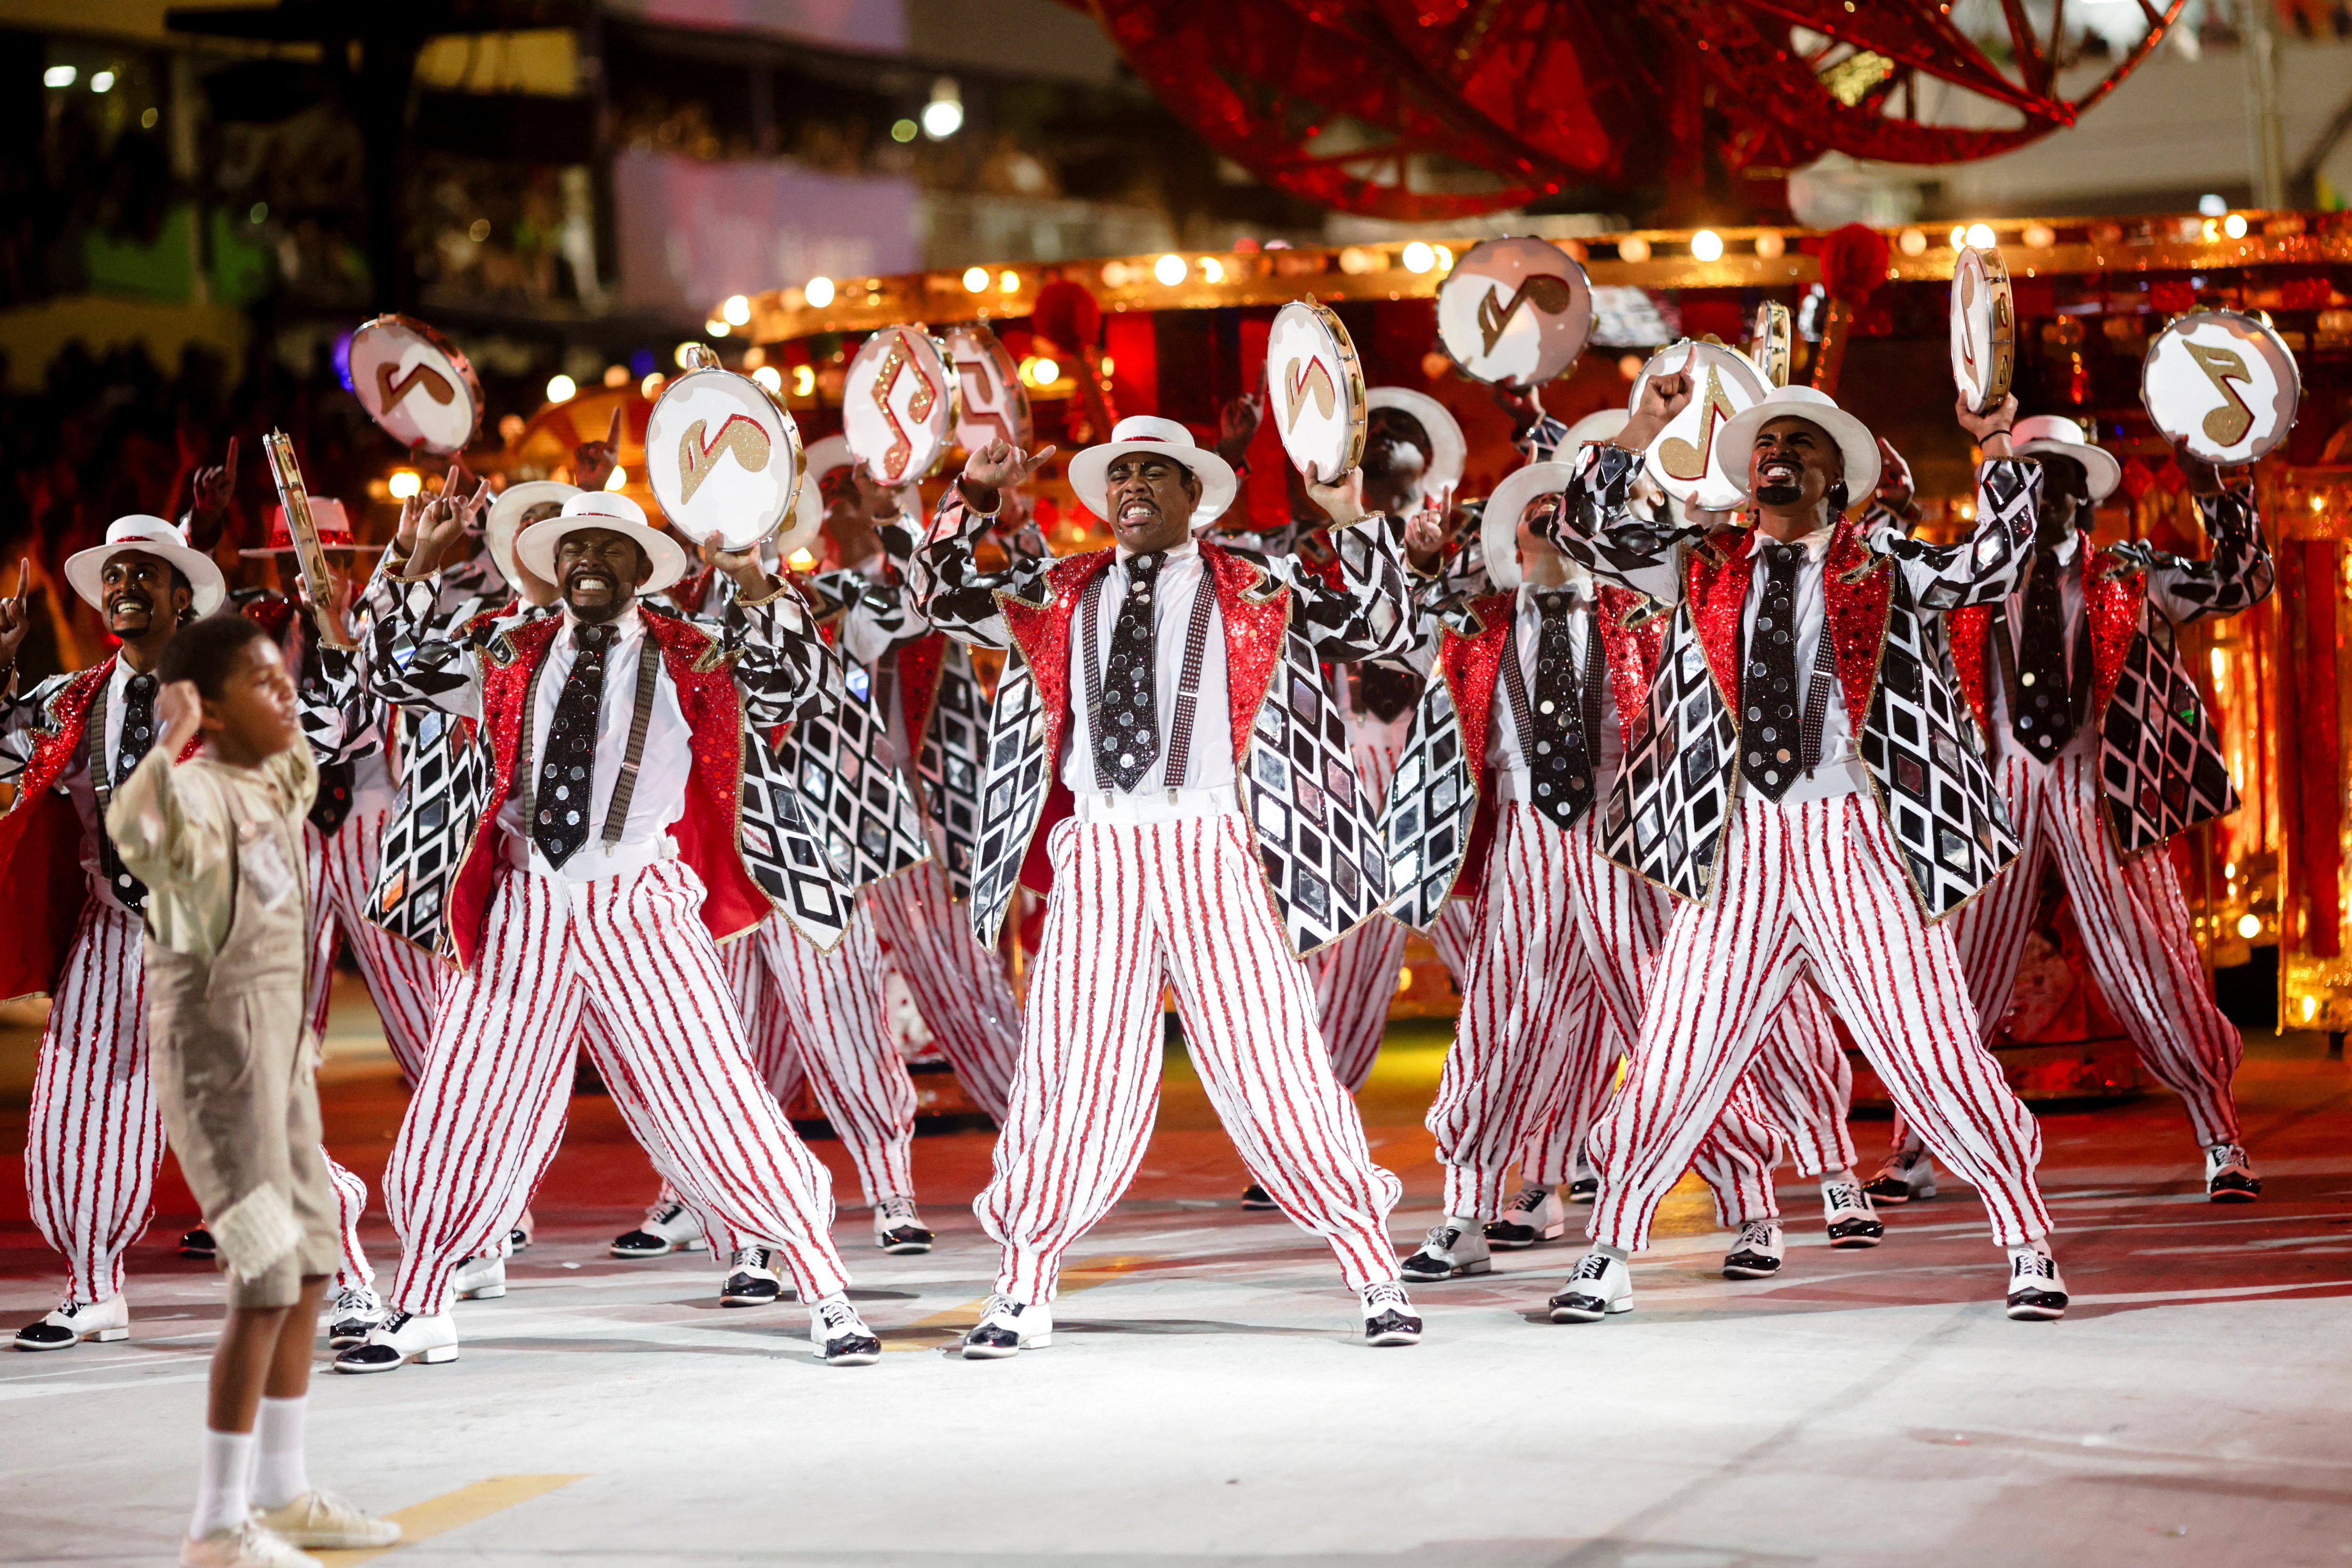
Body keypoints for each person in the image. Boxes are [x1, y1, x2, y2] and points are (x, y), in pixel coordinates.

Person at [1539, 377, 2071, 1322]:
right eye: (1764, 439)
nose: (1774, 450)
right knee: (1675, 1048)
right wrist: (1645, 429)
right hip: (1738, 845)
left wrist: (1994, 446)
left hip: (1853, 839)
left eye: (1800, 441)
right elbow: (1584, 535)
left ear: (1839, 476)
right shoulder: (1705, 563)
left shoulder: (1886, 560)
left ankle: (2026, 1235)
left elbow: (1994, 563)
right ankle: (1609, 1249)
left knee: (1931, 1044)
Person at [335, 488, 882, 1372]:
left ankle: (825, 1286)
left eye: (608, 547)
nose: (587, 559)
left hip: (638, 896)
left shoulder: (693, 651)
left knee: (712, 1089)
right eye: (572, 547)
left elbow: (803, 687)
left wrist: (753, 584)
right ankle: (424, 1299)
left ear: (642, 567)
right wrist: (410, 569)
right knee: (465, 1092)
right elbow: (384, 670)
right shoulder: (505, 644)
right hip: (526, 900)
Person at [912, 417, 1426, 1355]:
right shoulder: (1060, 589)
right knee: (1067, 1068)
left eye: (1156, 471)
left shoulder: (1254, 584)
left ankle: (1371, 1266)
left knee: (1271, 1057)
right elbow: (944, 604)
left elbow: (1382, 629)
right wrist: (970, 499)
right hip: (1100, 844)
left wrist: (1353, 518)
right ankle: (1024, 1282)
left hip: (1206, 840)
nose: (1134, 488)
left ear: (1197, 496)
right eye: (1121, 475)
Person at [1382, 444, 1868, 1286]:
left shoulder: (1640, 615)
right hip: (1527, 841)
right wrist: (1421, 564)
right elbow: (1397, 632)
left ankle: (1752, 1205)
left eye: (1564, 515)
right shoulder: (1479, 627)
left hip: (1621, 834)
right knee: (1498, 1032)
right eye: (1539, 516)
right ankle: (1464, 1213)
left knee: (1671, 1027)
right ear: (1512, 538)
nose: (1555, 527)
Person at [0, 519, 380, 1352]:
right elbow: (5, 756)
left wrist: (335, 640)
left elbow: (334, 738)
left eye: (145, 574)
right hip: (110, 931)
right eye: (114, 576)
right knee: (74, 1123)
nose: (125, 587)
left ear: (183, 597)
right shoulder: (74, 696)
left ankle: (345, 1279)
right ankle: (92, 1288)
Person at [1883, 415, 2272, 1203]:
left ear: (2084, 499)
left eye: (2058, 479)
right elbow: (1879, 584)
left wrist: (2216, 494)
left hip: (2098, 784)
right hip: (1999, 788)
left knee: (2152, 959)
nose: (2041, 494)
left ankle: (2221, 1135)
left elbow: (2244, 584)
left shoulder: (2131, 573)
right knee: (1954, 968)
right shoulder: (1972, 579)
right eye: (2027, 478)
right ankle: (1913, 1146)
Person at [108, 613, 400, 1568]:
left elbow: (308, 760)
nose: (287, 696)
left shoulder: (269, 781)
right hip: (217, 1069)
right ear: (213, 710)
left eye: (286, 680)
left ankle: (282, 1491)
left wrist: (312, 633)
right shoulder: (191, 790)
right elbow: (134, 831)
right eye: (266, 686)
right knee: (265, 1273)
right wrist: (168, 734)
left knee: (315, 1261)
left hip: (280, 1059)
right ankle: (216, 1523)